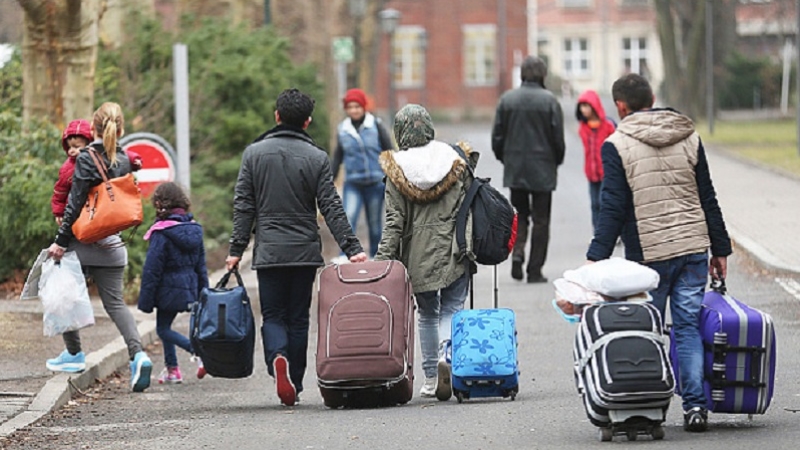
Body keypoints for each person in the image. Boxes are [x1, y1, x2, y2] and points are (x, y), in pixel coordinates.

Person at [586, 74, 732, 432]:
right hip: (693, 247)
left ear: (620, 106)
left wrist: (596, 257)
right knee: (686, 329)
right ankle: (696, 408)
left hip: (649, 256)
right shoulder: (688, 134)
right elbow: (707, 196)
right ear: (652, 98)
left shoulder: (616, 144)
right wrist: (720, 248)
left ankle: (649, 407)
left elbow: (614, 207)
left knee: (646, 332)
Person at [226, 88, 367, 407]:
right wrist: (351, 246)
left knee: (273, 314)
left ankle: (278, 358)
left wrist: (236, 249)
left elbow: (244, 205)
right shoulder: (316, 157)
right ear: (307, 122)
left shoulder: (254, 154)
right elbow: (331, 205)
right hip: (303, 251)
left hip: (269, 251)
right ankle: (297, 382)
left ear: (276, 116)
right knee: (299, 317)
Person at [46, 102, 154, 393]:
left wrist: (60, 242)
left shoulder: (85, 158)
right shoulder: (124, 159)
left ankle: (73, 354)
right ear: (121, 129)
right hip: (114, 245)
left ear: (92, 129)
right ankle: (138, 356)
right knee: (116, 305)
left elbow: (76, 203)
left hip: (82, 243)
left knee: (62, 294)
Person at [375, 104, 478, 401]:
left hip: (418, 255)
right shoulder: (455, 159)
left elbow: (394, 223)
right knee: (452, 308)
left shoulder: (397, 170)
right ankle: (450, 359)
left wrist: (381, 264)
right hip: (456, 246)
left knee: (428, 314)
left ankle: (432, 378)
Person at [491, 56, 565, 283]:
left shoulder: (507, 100)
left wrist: (505, 159)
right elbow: (557, 140)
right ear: (543, 74)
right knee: (542, 220)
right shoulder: (550, 101)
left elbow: (497, 137)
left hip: (516, 168)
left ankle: (518, 252)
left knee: (519, 216)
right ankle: (535, 270)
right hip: (543, 168)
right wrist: (555, 161)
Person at [137, 182, 208, 384]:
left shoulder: (161, 232)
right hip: (189, 286)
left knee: (163, 329)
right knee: (164, 325)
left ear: (159, 204)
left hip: (167, 288)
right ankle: (172, 370)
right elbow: (201, 265)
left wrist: (146, 300)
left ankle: (198, 352)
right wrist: (204, 292)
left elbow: (152, 269)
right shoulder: (194, 229)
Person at [331, 88, 394, 260]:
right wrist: (330, 181)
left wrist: (393, 177)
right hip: (353, 183)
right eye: (350, 107)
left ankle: (376, 255)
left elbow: (389, 150)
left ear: (364, 107)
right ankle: (345, 254)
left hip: (375, 182)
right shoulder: (343, 129)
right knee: (349, 218)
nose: (354, 110)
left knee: (374, 223)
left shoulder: (376, 125)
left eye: (357, 106)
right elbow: (338, 157)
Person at [52, 119, 142, 225]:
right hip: (80, 213)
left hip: (102, 207)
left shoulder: (97, 157)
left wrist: (133, 160)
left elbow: (116, 154)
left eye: (76, 147)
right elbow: (60, 191)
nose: (71, 150)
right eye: (69, 147)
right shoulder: (67, 169)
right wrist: (59, 212)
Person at [575, 89, 616, 234]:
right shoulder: (583, 128)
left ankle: (609, 231)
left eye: (586, 106)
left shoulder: (608, 126)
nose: (584, 110)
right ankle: (597, 232)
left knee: (605, 202)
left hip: (606, 170)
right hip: (591, 172)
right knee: (594, 204)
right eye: (581, 106)